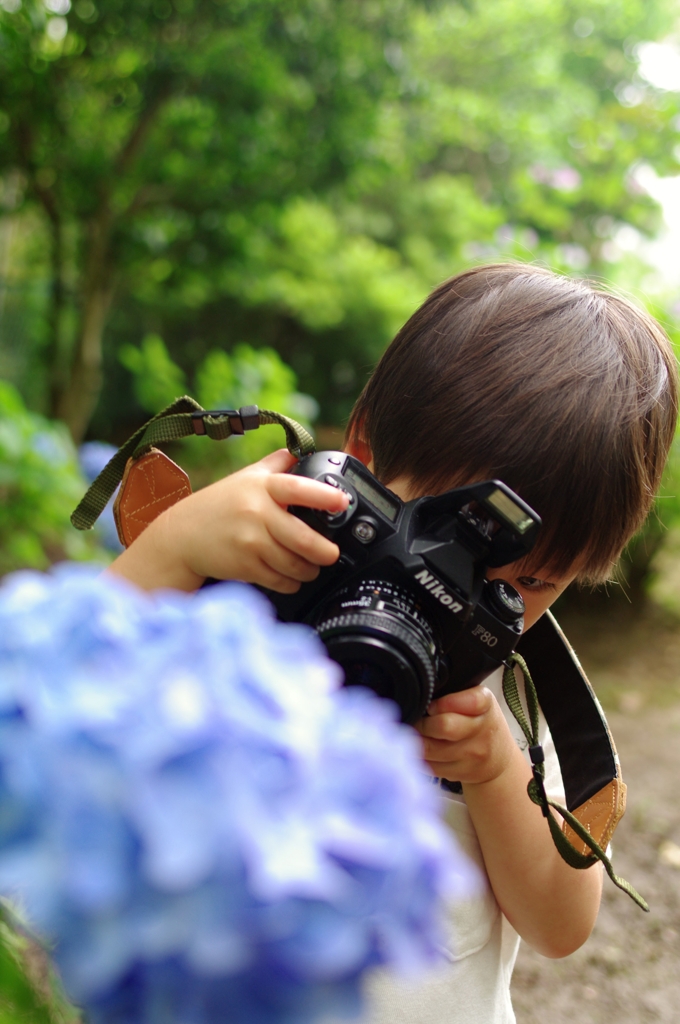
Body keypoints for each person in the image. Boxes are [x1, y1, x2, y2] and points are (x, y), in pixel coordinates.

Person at [107, 263, 678, 1023]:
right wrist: (173, 550)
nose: (462, 593)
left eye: (528, 586)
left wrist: (496, 772)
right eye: (441, 541)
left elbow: (561, 926)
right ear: (364, 452)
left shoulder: (490, 707)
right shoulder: (235, 609)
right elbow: (55, 712)